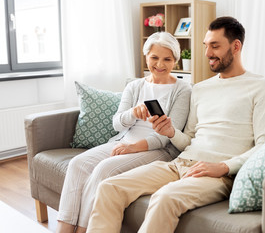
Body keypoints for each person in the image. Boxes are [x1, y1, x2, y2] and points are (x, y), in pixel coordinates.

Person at [86, 16, 265, 233]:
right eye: (206, 46)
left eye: (215, 46)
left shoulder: (261, 86)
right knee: (110, 187)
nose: (207, 54)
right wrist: (170, 132)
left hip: (218, 174)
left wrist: (223, 167)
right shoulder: (202, 88)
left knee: (164, 198)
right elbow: (189, 138)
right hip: (180, 163)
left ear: (235, 46)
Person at [56, 32, 192, 233]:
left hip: (156, 149)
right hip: (123, 140)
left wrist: (133, 147)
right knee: (78, 164)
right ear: (146, 56)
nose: (160, 64)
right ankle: (64, 229)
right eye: (154, 57)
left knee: (104, 169)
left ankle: (84, 229)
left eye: (167, 59)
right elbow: (117, 124)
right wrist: (132, 113)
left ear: (175, 61)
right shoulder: (134, 86)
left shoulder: (183, 89)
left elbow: (166, 135)